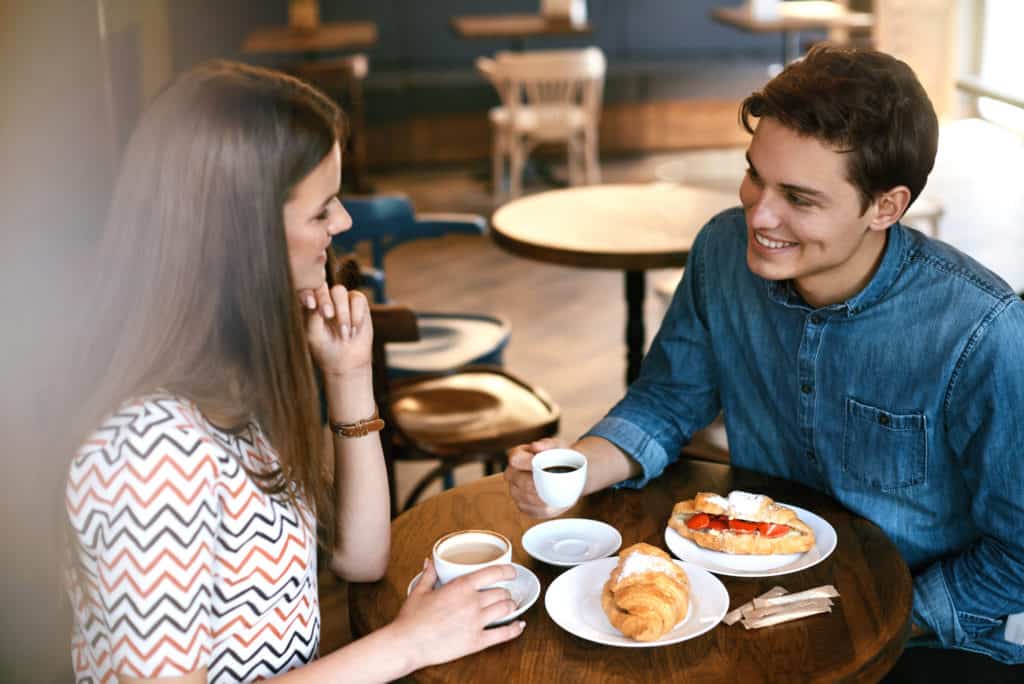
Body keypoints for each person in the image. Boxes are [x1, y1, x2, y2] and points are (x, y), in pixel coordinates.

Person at [505, 45, 1024, 678]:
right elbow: (669, 398)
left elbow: (1020, 550)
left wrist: (889, 614)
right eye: (755, 175)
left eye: (799, 199)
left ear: (886, 206)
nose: (760, 214)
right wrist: (576, 469)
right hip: (743, 599)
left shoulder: (983, 332)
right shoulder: (721, 252)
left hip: (921, 634)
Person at [65, 61, 524, 684]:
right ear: (242, 235)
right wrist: (407, 645)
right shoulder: (149, 447)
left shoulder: (235, 381)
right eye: (321, 210)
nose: (343, 224)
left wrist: (349, 374)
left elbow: (360, 557)